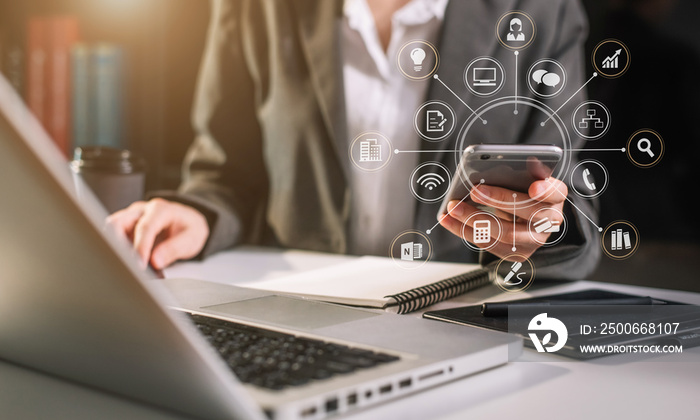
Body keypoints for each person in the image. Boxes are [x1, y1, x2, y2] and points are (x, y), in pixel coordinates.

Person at [108, 0, 600, 280]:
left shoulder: (543, 10)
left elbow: (574, 211)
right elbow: (225, 174)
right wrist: (200, 214)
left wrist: (542, 230)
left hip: (464, 324)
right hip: (297, 314)